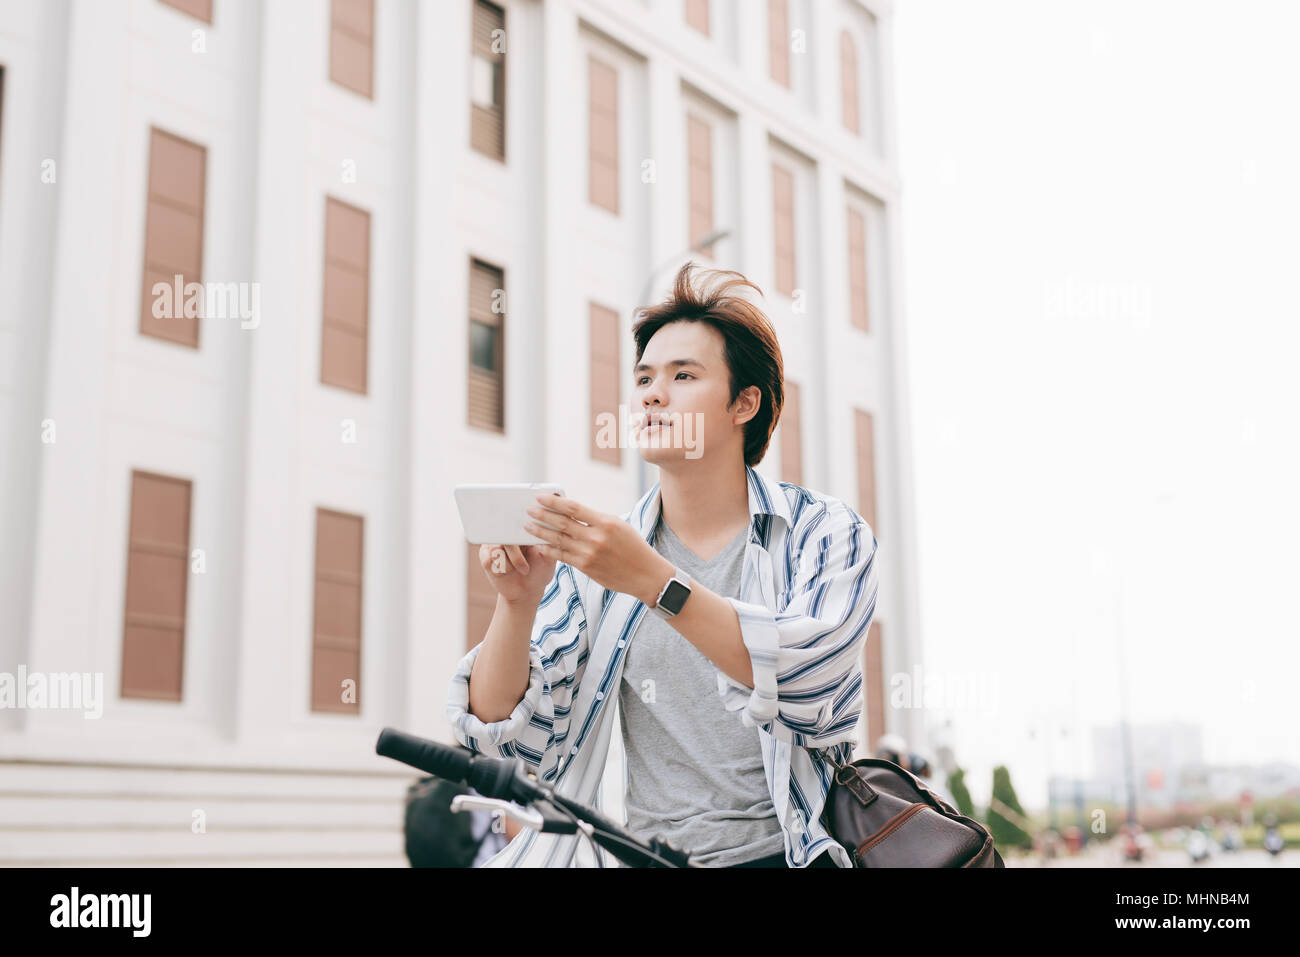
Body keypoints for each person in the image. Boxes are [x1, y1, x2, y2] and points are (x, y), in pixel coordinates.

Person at [445, 263, 879, 868]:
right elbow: (512, 740)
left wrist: (651, 581)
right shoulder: (601, 560)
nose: (652, 392)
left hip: (790, 856)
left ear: (744, 403)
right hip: (650, 858)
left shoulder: (821, 532)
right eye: (644, 376)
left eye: (683, 375)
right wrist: (515, 605)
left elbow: (810, 681)